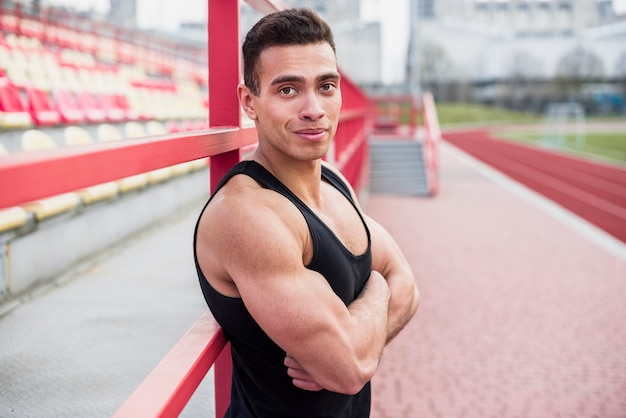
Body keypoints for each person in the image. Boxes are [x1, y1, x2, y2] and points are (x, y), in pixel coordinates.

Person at [193, 8, 419, 417]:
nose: (314, 108)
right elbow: (349, 369)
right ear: (250, 101)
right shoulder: (245, 215)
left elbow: (409, 287)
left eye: (326, 86)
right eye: (288, 90)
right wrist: (379, 291)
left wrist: (356, 336)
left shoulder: (332, 181)